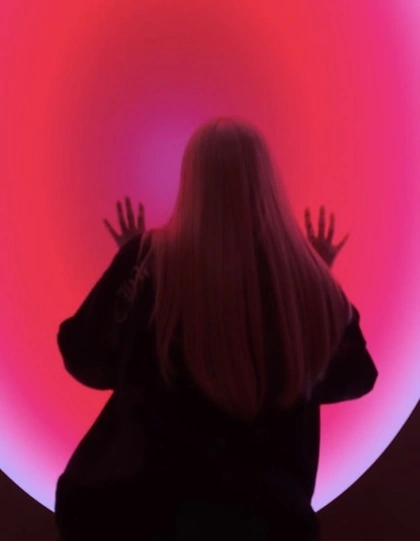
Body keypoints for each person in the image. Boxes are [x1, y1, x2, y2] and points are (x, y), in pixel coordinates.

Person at [54, 117, 378, 540]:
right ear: (266, 181)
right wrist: (319, 282)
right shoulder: (303, 281)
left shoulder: (148, 260)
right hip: (266, 519)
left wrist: (132, 276)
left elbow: (86, 358)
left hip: (137, 511)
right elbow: (354, 376)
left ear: (192, 180)